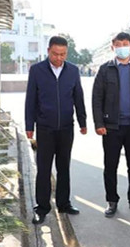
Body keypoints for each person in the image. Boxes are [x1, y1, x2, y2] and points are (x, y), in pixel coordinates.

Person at [25, 36, 87, 225]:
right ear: (48, 51)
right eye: (55, 54)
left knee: (64, 167)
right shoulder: (37, 70)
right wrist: (29, 125)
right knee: (43, 169)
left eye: (63, 54)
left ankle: (64, 203)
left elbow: (78, 96)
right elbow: (30, 99)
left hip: (66, 128)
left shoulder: (73, 71)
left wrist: (82, 121)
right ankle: (42, 207)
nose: (59, 58)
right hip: (45, 128)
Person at [92, 32, 130, 217]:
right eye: (118, 44)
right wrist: (99, 123)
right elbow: (97, 98)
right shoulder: (105, 69)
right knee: (110, 166)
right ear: (112, 47)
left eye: (125, 44)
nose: (122, 47)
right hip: (111, 127)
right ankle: (112, 201)